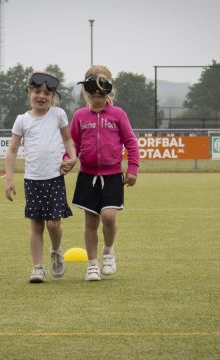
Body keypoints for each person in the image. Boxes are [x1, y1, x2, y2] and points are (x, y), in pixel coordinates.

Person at [5, 71, 77, 283]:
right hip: (32, 180)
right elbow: (12, 150)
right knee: (36, 225)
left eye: (48, 93)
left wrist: (73, 158)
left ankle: (56, 250)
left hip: (54, 178)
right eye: (37, 91)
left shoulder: (58, 114)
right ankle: (37, 267)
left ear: (54, 96)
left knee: (54, 224)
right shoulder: (22, 120)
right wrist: (9, 179)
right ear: (29, 93)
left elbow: (68, 139)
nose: (42, 96)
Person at [69, 65, 140, 281]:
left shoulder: (118, 114)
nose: (97, 91)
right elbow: (72, 143)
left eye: (103, 85)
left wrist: (133, 168)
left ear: (109, 88)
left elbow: (131, 142)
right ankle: (92, 264)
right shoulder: (80, 115)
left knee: (108, 217)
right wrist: (68, 159)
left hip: (111, 176)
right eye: (92, 85)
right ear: (86, 89)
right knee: (91, 222)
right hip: (87, 176)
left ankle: (108, 251)